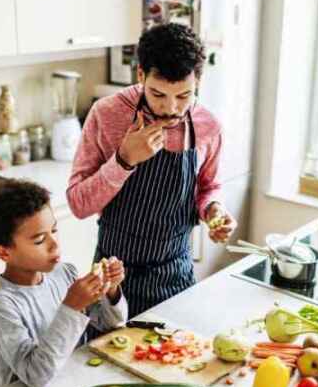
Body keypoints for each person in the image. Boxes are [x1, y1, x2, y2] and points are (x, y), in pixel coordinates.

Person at [67, 23, 237, 320]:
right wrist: (123, 160)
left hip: (175, 276)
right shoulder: (107, 114)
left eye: (184, 96)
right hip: (112, 280)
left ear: (198, 81)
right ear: (141, 75)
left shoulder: (209, 126)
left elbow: (209, 186)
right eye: (158, 95)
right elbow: (79, 205)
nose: (170, 108)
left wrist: (213, 210)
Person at [0, 179, 127, 387]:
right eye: (39, 240)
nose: (55, 244)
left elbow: (110, 325)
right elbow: (35, 375)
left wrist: (111, 290)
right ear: (3, 252)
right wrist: (71, 307)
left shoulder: (64, 273)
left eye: (53, 231)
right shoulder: (0, 306)